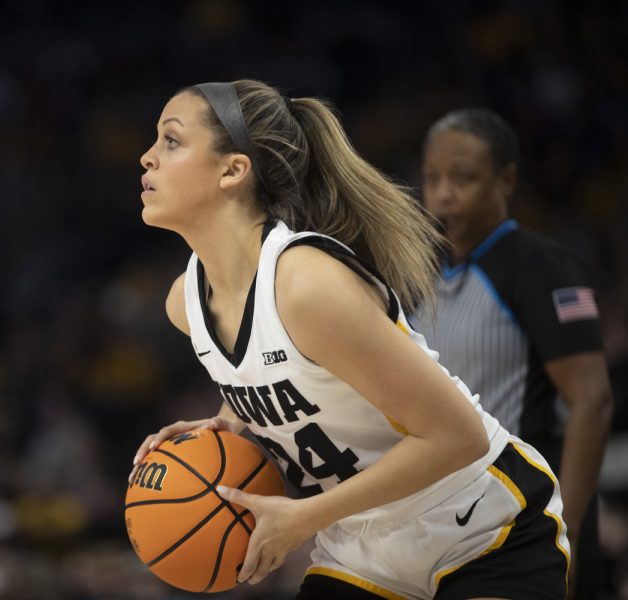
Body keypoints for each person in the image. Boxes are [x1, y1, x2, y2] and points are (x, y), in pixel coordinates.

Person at [130, 79, 570, 599]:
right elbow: (289, 378)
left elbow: (457, 436)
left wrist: (303, 516)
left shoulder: (306, 285)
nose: (147, 157)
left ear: (233, 170)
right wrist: (229, 424)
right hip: (362, 549)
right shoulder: (184, 303)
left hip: (482, 526)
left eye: (171, 140)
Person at [414, 108, 614, 598]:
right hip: (449, 524)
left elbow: (592, 401)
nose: (443, 193)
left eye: (463, 177)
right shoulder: (420, 275)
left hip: (528, 520)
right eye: (432, 178)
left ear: (506, 180)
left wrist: (561, 528)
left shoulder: (543, 266)